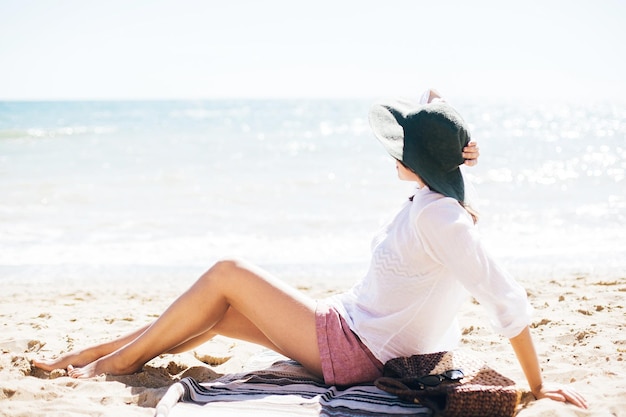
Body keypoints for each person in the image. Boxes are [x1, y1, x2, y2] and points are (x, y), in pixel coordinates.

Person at [33, 90, 587, 409]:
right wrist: (454, 140)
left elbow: (505, 300)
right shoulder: (431, 194)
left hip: (356, 352)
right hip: (347, 327)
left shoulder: (442, 217)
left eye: (402, 147)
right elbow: (435, 104)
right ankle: (96, 356)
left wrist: (537, 388)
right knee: (221, 313)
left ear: (421, 160)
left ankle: (115, 362)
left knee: (228, 271)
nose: (391, 153)